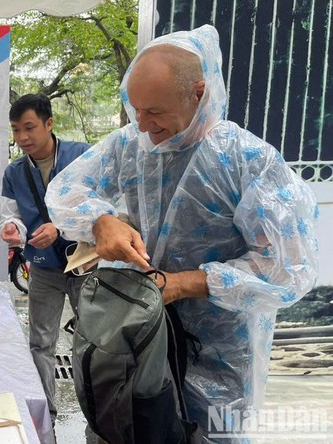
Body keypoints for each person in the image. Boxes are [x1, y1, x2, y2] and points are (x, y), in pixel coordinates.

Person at [45, 25, 318, 442]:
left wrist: (183, 284)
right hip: (136, 339)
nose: (143, 123)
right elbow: (67, 189)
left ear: (198, 93)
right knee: (130, 426)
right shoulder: (131, 145)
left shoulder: (248, 160)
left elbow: (286, 267)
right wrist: (102, 220)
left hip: (220, 354)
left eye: (154, 111)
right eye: (135, 109)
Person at [0, 93, 89, 440]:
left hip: (85, 266)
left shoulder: (81, 156)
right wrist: (11, 230)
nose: (22, 138)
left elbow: (100, 206)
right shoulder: (14, 172)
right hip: (43, 269)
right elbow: (13, 217)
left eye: (29, 128)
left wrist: (61, 228)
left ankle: (92, 409)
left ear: (49, 124)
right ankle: (46, 413)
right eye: (16, 130)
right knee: (40, 342)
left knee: (90, 342)